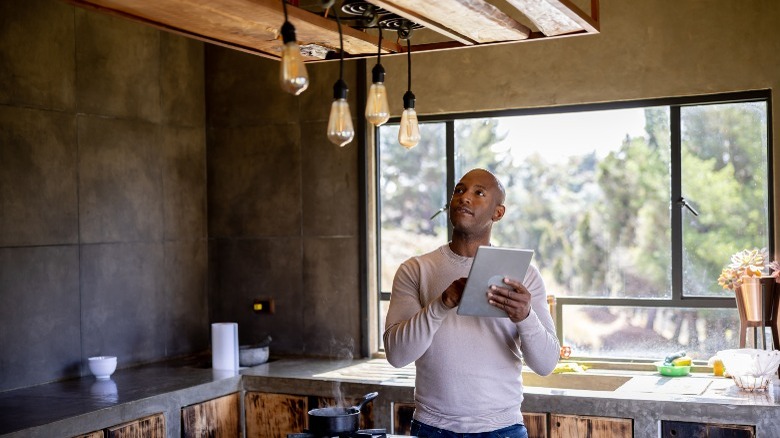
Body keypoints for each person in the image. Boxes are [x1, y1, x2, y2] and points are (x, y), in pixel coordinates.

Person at [383, 168, 560, 437]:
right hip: (432, 428)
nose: (465, 197)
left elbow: (546, 364)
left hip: (503, 429)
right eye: (459, 190)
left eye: (479, 193)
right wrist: (441, 304)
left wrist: (525, 316)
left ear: (497, 213)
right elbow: (397, 355)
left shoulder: (524, 274)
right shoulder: (415, 270)